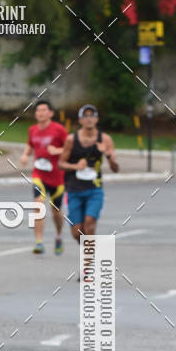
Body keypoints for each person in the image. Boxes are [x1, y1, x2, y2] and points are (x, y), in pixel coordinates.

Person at [59, 105, 119, 258]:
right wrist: (75, 166)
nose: (89, 119)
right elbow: (61, 163)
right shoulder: (72, 140)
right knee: (77, 232)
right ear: (80, 120)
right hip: (74, 190)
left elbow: (115, 168)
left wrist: (107, 155)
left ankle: (87, 266)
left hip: (95, 190)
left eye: (92, 115)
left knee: (90, 224)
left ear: (97, 119)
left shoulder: (105, 139)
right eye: (85, 116)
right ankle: (90, 250)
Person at [19, 100, 67, 255]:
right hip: (39, 174)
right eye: (38, 110)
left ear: (51, 113)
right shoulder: (32, 130)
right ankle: (38, 242)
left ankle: (58, 235)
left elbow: (71, 148)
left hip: (58, 177)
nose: (40, 113)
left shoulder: (59, 130)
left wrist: (57, 150)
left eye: (44, 110)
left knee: (56, 211)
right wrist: (25, 155)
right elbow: (30, 144)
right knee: (38, 205)